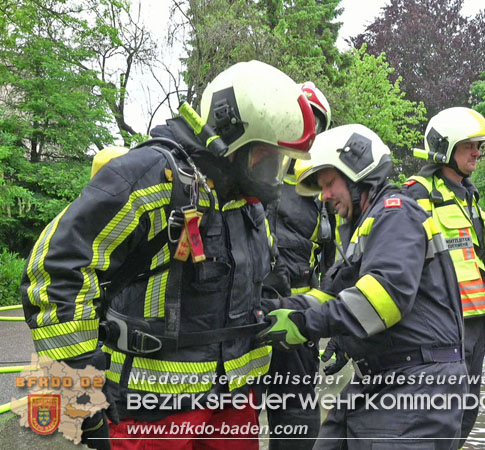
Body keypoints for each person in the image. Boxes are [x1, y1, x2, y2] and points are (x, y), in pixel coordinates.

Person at [19, 60, 317, 450]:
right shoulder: (153, 177)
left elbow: (258, 292)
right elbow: (54, 271)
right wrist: (81, 394)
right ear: (234, 142)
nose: (275, 175)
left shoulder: (249, 206)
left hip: (232, 409)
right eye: (268, 157)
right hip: (151, 414)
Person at [258, 124, 467, 449]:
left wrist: (303, 324)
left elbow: (384, 298)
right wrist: (268, 312)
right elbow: (326, 296)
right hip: (380, 379)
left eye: (329, 184)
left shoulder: (396, 215)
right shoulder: (365, 228)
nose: (324, 196)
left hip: (419, 386)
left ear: (358, 175)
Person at [402, 106, 485, 447]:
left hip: (473, 327)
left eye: (479, 145)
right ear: (445, 147)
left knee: (465, 415)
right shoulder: (416, 195)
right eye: (470, 145)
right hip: (437, 328)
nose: (478, 152)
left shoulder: (470, 196)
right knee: (435, 418)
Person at [262, 81, 333, 449]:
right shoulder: (245, 168)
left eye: (312, 119)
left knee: (297, 422)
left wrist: (338, 329)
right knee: (227, 418)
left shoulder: (328, 189)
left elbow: (340, 266)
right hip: (241, 320)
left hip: (297, 328)